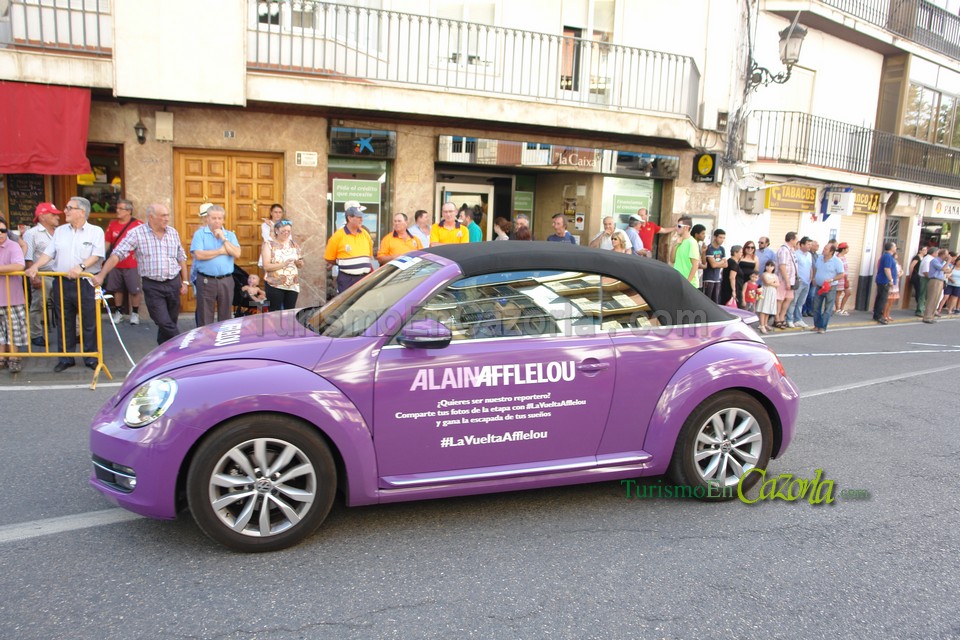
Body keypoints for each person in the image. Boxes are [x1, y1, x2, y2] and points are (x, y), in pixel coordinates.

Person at [23, 197, 104, 372]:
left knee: (89, 321)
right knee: (64, 321)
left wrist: (80, 267)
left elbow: (97, 255)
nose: (65, 211)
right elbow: (48, 253)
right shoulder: (60, 231)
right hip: (62, 282)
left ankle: (91, 357)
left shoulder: (95, 231)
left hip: (86, 282)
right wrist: (35, 267)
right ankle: (66, 358)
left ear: (82, 212)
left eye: (69, 208)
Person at [94, 204, 189, 345]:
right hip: (153, 286)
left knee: (170, 321)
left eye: (168, 215)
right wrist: (102, 275)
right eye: (163, 215)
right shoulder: (137, 233)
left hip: (173, 283)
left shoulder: (172, 232)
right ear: (151, 217)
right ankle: (184, 346)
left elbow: (181, 257)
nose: (167, 219)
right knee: (164, 321)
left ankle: (164, 352)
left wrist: (185, 281)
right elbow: (117, 255)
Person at [190, 205, 240, 326]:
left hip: (226, 280)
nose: (217, 221)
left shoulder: (230, 235)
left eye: (219, 218)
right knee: (205, 316)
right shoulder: (200, 234)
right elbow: (199, 255)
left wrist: (223, 238)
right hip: (206, 280)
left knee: (226, 316)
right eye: (214, 218)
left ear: (223, 219)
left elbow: (237, 253)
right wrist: (221, 251)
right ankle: (205, 343)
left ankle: (224, 343)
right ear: (207, 218)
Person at [23, 202, 61, 347]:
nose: (57, 217)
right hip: (42, 273)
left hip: (59, 273)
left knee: (65, 305)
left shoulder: (60, 232)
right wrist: (34, 276)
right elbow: (28, 257)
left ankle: (72, 333)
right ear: (42, 216)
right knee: (38, 305)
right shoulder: (31, 233)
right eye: (53, 214)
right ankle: (36, 334)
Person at [103, 199, 144, 325]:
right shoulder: (112, 224)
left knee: (134, 289)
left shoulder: (138, 225)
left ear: (128, 211)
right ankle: (119, 312)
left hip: (132, 263)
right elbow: (107, 243)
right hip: (116, 263)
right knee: (117, 289)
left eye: (120, 209)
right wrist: (103, 258)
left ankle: (135, 313)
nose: (117, 211)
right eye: (117, 208)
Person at [0, 215, 28, 373]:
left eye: (3, 230)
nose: (0, 233)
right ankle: (1, 357)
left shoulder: (13, 246)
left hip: (12, 296)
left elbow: (19, 265)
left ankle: (14, 358)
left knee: (14, 330)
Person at [325, 204, 375, 293]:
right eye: (358, 217)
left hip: (365, 278)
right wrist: (345, 264)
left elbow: (369, 256)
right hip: (347, 280)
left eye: (362, 217)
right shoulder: (337, 237)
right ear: (350, 218)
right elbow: (330, 259)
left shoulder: (365, 234)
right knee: (347, 305)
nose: (361, 219)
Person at [262, 219, 303, 311]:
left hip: (292, 285)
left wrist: (299, 263)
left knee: (290, 312)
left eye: (288, 231)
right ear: (276, 231)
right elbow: (266, 266)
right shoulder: (269, 245)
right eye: (283, 231)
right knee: (275, 312)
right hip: (275, 285)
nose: (286, 233)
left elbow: (300, 265)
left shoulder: (294, 245)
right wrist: (284, 264)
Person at [811, 240, 845, 334]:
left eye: (826, 249)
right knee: (816, 306)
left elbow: (841, 274)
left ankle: (823, 327)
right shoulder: (820, 258)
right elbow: (815, 268)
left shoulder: (837, 261)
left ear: (831, 252)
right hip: (819, 285)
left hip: (830, 287)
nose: (823, 250)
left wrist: (833, 279)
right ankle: (817, 325)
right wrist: (814, 277)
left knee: (827, 308)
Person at [774, 232, 799, 329]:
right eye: (796, 239)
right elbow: (782, 266)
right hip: (782, 279)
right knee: (779, 299)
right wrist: (787, 281)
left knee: (788, 298)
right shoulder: (783, 250)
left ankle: (781, 316)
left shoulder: (791, 250)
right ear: (792, 239)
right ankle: (777, 319)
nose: (797, 241)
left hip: (792, 279)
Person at [787, 236, 812, 328]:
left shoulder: (809, 255)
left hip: (807, 282)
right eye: (808, 244)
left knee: (801, 302)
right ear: (802, 244)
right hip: (799, 281)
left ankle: (798, 319)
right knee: (793, 301)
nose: (810, 246)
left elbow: (810, 267)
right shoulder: (796, 254)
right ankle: (789, 319)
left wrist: (811, 277)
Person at [923, 248, 953, 323]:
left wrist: (947, 264)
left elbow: (947, 270)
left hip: (940, 280)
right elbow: (943, 269)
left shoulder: (942, 262)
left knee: (936, 299)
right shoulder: (935, 261)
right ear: (942, 255)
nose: (948, 256)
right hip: (934, 280)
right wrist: (948, 261)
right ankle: (927, 316)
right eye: (946, 254)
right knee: (932, 299)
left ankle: (931, 316)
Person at [872, 241, 898, 325]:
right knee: (882, 298)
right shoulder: (888, 257)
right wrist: (891, 279)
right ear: (891, 248)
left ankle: (877, 314)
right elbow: (887, 269)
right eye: (894, 246)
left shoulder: (887, 256)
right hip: (884, 280)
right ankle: (879, 315)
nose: (895, 248)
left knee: (880, 297)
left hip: (882, 280)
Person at [672, 216, 700, 286]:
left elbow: (695, 265)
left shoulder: (692, 242)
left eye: (679, 226)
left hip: (688, 284)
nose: (676, 228)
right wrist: (674, 245)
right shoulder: (679, 241)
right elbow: (672, 260)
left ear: (686, 227)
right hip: (678, 281)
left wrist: (687, 283)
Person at [702, 228, 727, 303]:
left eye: (723, 238)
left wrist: (717, 263)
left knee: (715, 301)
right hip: (709, 278)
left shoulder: (722, 249)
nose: (722, 240)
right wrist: (721, 262)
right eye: (720, 237)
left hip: (717, 278)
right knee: (707, 300)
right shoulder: (709, 248)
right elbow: (712, 265)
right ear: (715, 237)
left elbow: (726, 264)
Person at [258, 203, 285, 269]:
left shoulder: (285, 225)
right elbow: (269, 240)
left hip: (282, 255)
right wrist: (271, 227)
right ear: (271, 213)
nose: (278, 214)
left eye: (280, 212)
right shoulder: (265, 225)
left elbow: (288, 240)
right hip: (269, 255)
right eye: (275, 212)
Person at [757, 261, 779, 334]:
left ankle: (765, 323)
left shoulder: (775, 275)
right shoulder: (764, 274)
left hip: (772, 292)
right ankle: (761, 324)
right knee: (764, 308)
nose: (769, 268)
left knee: (768, 308)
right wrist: (773, 281)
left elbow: (778, 284)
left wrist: (772, 282)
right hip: (766, 292)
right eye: (768, 266)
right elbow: (766, 282)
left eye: (771, 266)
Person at [917, 247, 936, 316]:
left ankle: (923, 309)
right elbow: (926, 272)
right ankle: (920, 310)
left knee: (927, 295)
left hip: (928, 278)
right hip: (926, 278)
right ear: (934, 253)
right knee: (923, 294)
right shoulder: (928, 260)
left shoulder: (931, 259)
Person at [884, 253, 903, 322]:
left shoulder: (897, 263)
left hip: (896, 281)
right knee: (888, 300)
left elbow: (901, 271)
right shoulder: (890, 262)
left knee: (892, 300)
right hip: (891, 281)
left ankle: (888, 314)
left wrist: (900, 273)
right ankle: (884, 314)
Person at [833, 242, 851, 316]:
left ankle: (841, 308)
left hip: (845, 278)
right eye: (847, 248)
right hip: (840, 278)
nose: (848, 250)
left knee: (848, 293)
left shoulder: (843, 257)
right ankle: (837, 309)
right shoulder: (838, 258)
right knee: (838, 293)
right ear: (843, 249)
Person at [908, 246, 928, 313]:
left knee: (921, 290)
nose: (925, 251)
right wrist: (910, 275)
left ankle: (920, 305)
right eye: (924, 250)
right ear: (920, 251)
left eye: (926, 250)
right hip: (916, 276)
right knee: (918, 290)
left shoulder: (924, 258)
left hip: (921, 276)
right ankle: (919, 305)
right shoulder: (917, 257)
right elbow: (912, 266)